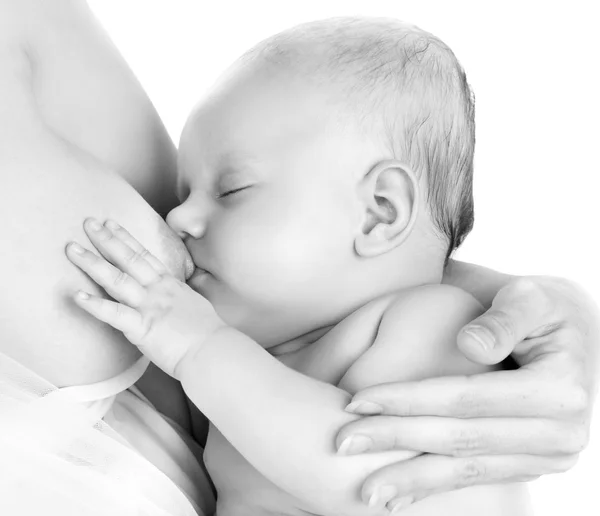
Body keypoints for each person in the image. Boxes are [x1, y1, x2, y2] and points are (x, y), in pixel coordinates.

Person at [0, 0, 596, 514]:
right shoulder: (268, 356)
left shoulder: (433, 325)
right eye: (183, 194)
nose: (178, 219)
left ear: (378, 214)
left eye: (231, 191)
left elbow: (368, 473)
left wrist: (198, 348)